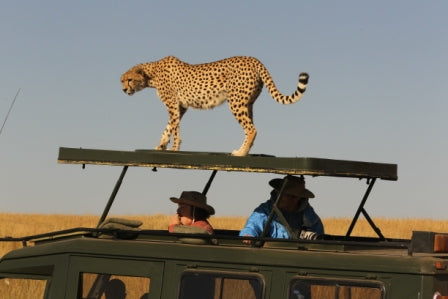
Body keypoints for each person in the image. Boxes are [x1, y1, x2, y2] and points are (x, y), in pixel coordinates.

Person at [239, 175, 323, 241]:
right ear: (278, 192)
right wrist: (248, 235)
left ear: (300, 198)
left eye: (294, 196)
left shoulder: (309, 216)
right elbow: (253, 225)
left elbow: (319, 238)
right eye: (287, 195)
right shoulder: (265, 211)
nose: (290, 199)